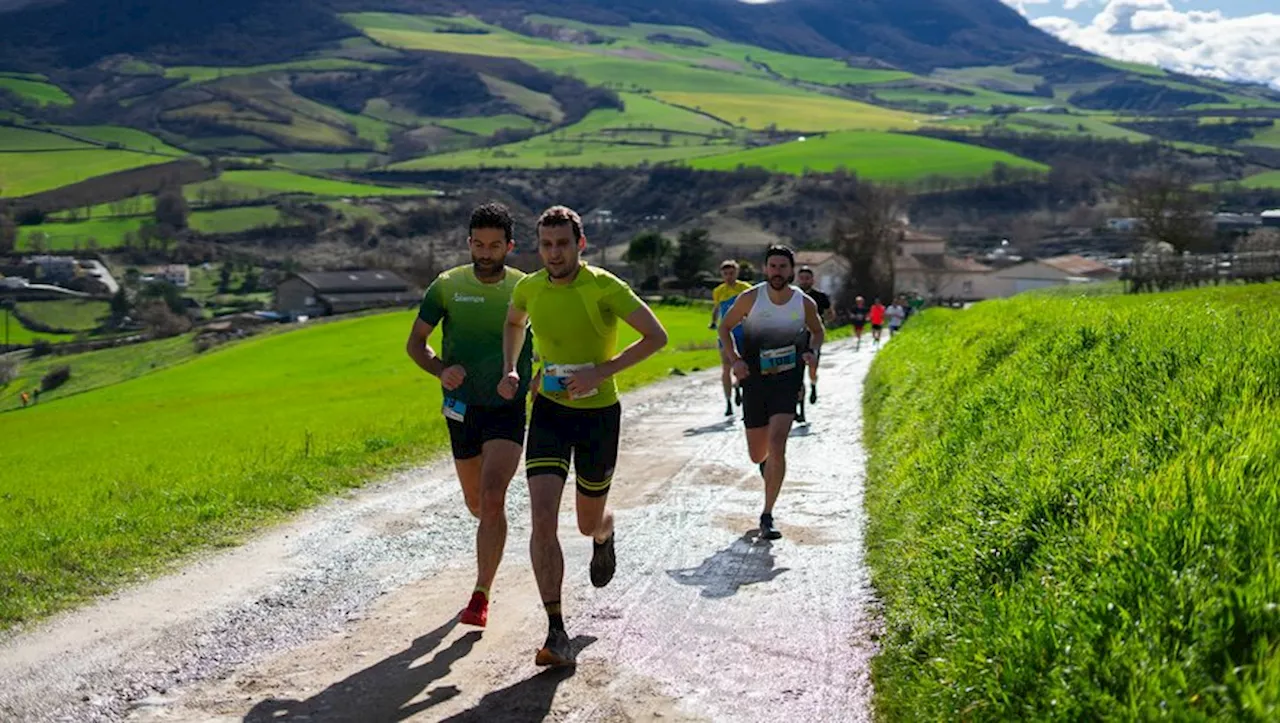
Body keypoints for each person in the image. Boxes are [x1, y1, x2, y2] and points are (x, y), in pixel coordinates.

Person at [498, 205, 668, 668]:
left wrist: (602, 370)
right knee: (542, 520)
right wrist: (514, 368)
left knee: (585, 521)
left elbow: (657, 337)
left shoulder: (605, 286)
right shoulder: (528, 287)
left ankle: (604, 532)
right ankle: (556, 630)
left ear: (580, 244)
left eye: (563, 244)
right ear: (540, 247)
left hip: (598, 417)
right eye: (547, 245)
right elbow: (514, 324)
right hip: (550, 412)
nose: (554, 253)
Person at [405, 202, 535, 629]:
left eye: (494, 245)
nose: (485, 252)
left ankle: (481, 594)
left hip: (506, 408)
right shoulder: (445, 286)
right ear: (468, 243)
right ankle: (491, 534)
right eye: (478, 244)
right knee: (477, 503)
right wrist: (442, 369)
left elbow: (549, 342)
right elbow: (416, 344)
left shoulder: (525, 288)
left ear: (509, 246)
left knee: (494, 496)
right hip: (460, 408)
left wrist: (528, 377)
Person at [717, 245, 825, 541]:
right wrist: (736, 359)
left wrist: (813, 351)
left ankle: (767, 515)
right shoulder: (752, 298)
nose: (778, 272)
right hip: (754, 380)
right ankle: (768, 465)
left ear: (791, 270)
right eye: (773, 267)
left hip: (787, 380)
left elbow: (817, 330)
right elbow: (724, 328)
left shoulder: (803, 303)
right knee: (757, 454)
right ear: (765, 269)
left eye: (783, 267)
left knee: (778, 444)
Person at [711, 260, 753, 417]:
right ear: (721, 274)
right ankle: (728, 402)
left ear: (737, 273)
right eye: (725, 274)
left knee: (746, 367)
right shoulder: (718, 291)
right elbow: (716, 309)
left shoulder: (745, 289)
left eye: (731, 273)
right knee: (726, 367)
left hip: (744, 333)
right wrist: (713, 322)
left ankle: (745, 397)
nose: (728, 277)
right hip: (726, 333)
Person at [795, 266, 835, 417]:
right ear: (798, 279)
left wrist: (822, 323)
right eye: (802, 278)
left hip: (814, 337)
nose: (804, 281)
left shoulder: (820, 296)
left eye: (807, 278)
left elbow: (831, 313)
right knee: (798, 374)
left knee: (812, 369)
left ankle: (813, 385)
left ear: (812, 280)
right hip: (797, 338)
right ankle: (800, 408)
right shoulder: (793, 295)